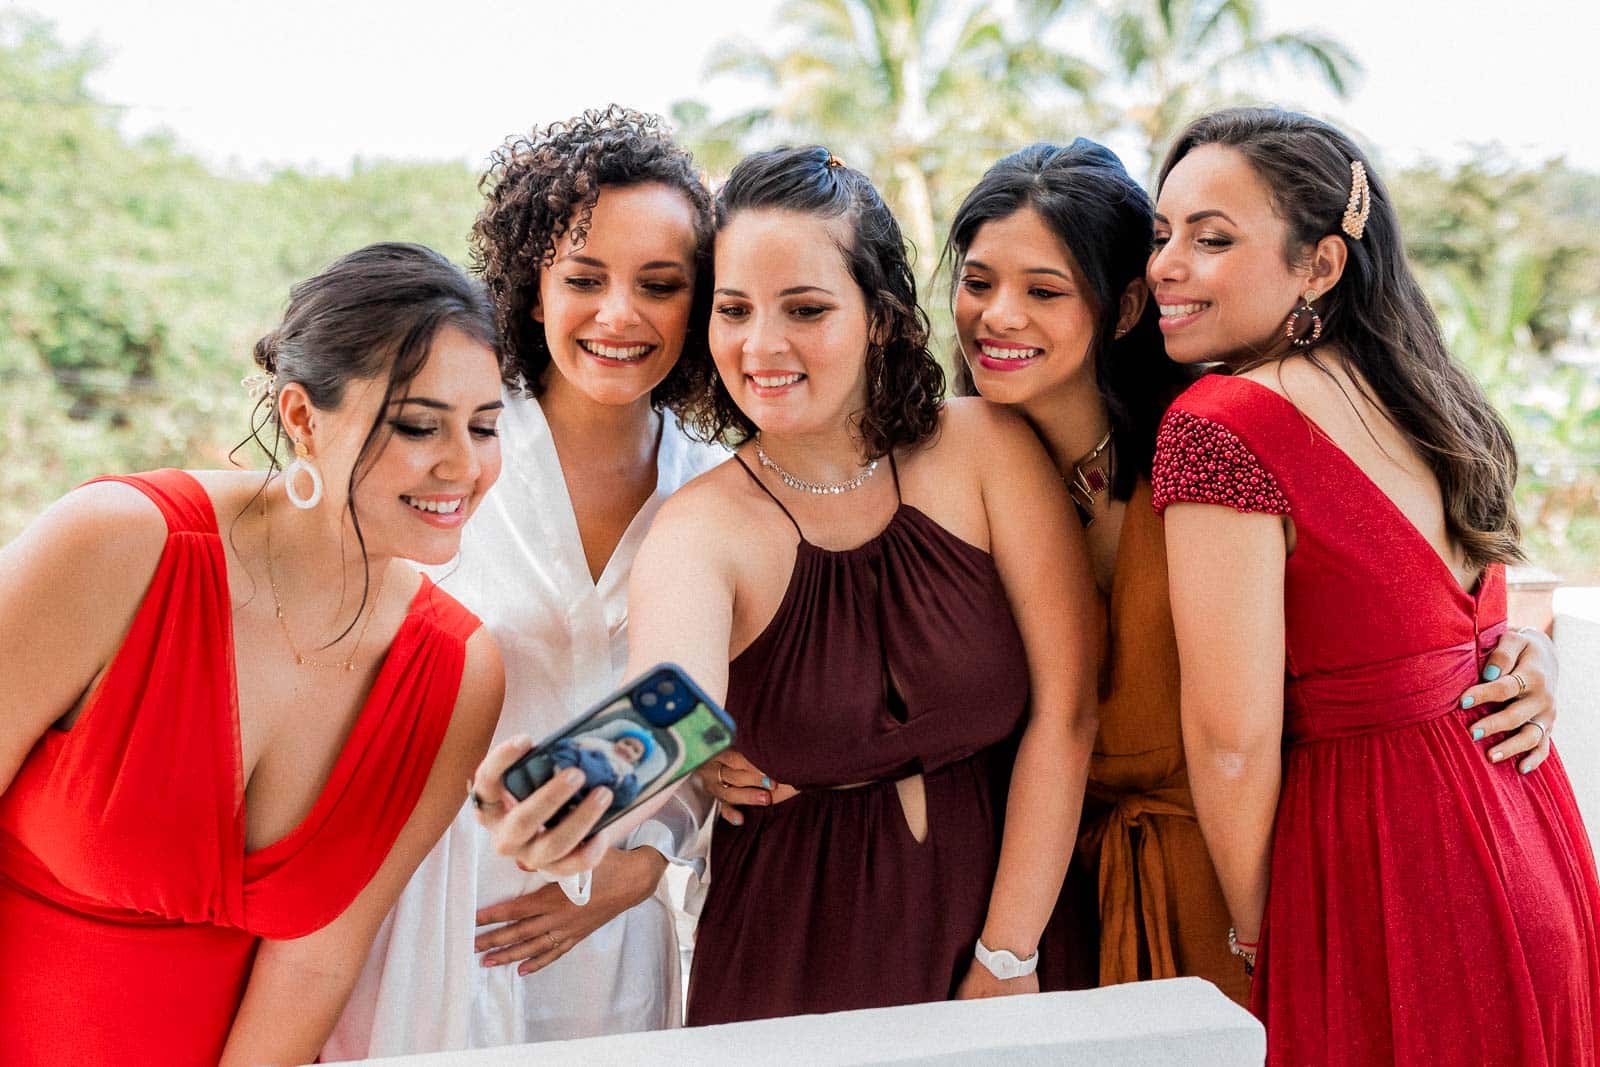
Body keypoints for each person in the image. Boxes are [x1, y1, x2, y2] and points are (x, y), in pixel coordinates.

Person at [940, 138, 1568, 1006]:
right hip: (1017, 903)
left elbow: (1391, 603)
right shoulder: (940, 477)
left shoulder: (1213, 451)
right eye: (977, 283)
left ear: (1120, 308)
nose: (997, 316)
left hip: (1242, 880)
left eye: (1044, 290)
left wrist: (1518, 653)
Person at [1149, 106, 1599, 1064]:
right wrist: (1537, 657)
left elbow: (1229, 742)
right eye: (1163, 233)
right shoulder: (1425, 396)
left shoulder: (1218, 424)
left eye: (1211, 237)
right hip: (1529, 834)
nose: (1165, 265)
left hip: (1389, 869)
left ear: (1321, 265)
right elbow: (1475, 612)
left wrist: (1257, 936)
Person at [616, 146, 1101, 1026]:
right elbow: (669, 708)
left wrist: (1009, 952)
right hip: (794, 957)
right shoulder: (699, 526)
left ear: (879, 317)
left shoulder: (985, 446)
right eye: (734, 310)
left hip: (1010, 932)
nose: (762, 345)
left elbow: (1068, 709)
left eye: (804, 308)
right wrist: (560, 781)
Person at [0, 243, 511, 1066]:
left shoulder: (457, 671)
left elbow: (314, 963)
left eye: (485, 426)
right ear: (303, 418)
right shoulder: (116, 544)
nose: (465, 465)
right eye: (420, 425)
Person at [325, 107, 726, 1059]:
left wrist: (638, 868)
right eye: (584, 279)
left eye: (660, 285)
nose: (619, 314)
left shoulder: (721, 487)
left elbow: (718, 728)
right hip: (435, 905)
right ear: (531, 290)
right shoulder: (447, 451)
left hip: (612, 943)